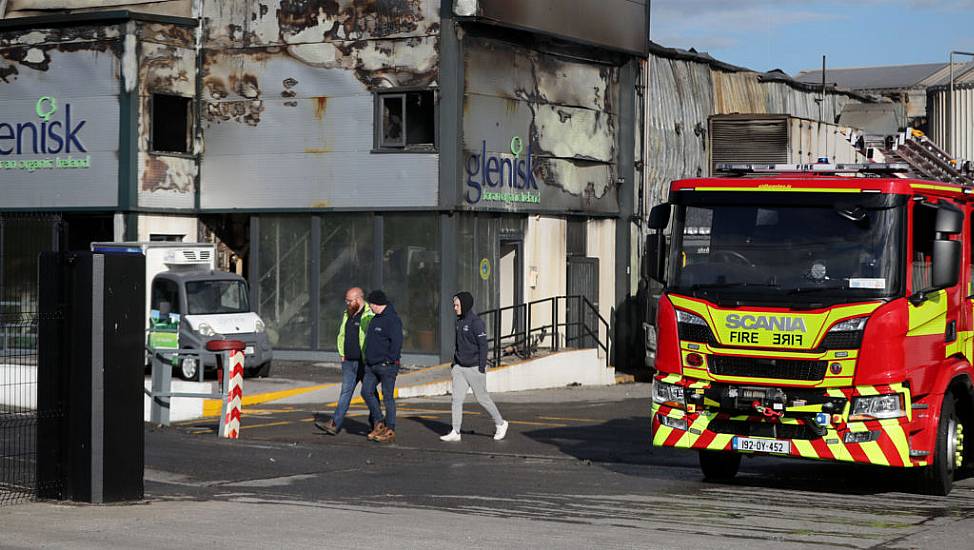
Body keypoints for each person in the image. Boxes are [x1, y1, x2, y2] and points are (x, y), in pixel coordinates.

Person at [440, 291, 508, 442]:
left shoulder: (476, 323)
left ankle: (501, 423)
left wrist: (481, 367)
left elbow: (483, 345)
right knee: (456, 399)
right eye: (454, 305)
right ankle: (455, 432)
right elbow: (458, 344)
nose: (455, 308)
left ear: (464, 305)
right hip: (459, 368)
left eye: (457, 305)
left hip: (475, 367)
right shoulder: (458, 322)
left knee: (482, 398)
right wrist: (455, 364)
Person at [315, 287, 376, 435]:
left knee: (370, 393)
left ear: (359, 299)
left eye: (349, 300)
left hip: (364, 362)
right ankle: (334, 424)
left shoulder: (370, 314)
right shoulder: (348, 313)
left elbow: (373, 338)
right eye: (346, 300)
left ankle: (377, 423)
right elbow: (342, 334)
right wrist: (342, 354)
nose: (347, 303)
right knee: (345, 393)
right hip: (348, 362)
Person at [361, 290, 403, 443]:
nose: (370, 307)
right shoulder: (375, 319)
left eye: (371, 304)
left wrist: (389, 360)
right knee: (366, 391)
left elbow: (397, 343)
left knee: (388, 397)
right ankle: (379, 422)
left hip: (387, 366)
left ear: (376, 304)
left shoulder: (392, 320)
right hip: (371, 366)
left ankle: (390, 428)